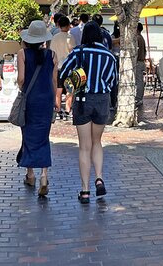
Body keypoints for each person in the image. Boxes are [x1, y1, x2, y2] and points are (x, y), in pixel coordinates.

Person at [59, 21, 117, 204]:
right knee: (97, 142)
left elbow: (63, 74)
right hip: (102, 99)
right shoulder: (109, 56)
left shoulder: (78, 52)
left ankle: (85, 190)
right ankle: (99, 178)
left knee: (84, 146)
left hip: (83, 99)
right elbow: (113, 80)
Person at [16, 21, 57, 197]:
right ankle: (44, 176)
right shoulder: (52, 55)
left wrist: (20, 88)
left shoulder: (22, 54)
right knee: (44, 137)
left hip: (30, 100)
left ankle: (30, 174)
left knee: (28, 135)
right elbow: (54, 81)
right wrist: (55, 99)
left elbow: (21, 78)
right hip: (46, 99)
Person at [51, 15, 75, 120]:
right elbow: (72, 52)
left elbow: (52, 53)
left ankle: (58, 109)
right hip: (69, 68)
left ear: (59, 25)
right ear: (69, 25)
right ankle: (67, 111)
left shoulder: (55, 37)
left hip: (57, 68)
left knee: (58, 90)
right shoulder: (70, 38)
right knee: (69, 90)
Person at [134, 23, 147, 107]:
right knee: (140, 81)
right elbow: (145, 51)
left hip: (138, 62)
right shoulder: (141, 38)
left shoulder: (137, 38)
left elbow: (136, 51)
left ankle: (139, 99)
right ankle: (139, 98)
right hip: (142, 62)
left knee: (139, 81)